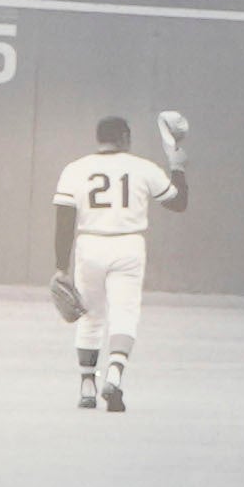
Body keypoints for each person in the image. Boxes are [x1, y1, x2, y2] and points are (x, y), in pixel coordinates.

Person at [47, 105, 189, 418]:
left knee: (90, 316)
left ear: (99, 139)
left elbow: (64, 221)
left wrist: (60, 267)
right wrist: (177, 167)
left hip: (90, 244)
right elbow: (179, 203)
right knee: (125, 313)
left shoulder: (75, 169)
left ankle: (87, 386)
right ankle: (113, 375)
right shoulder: (143, 167)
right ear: (125, 138)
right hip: (128, 244)